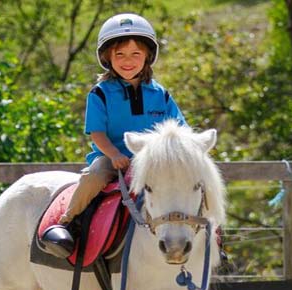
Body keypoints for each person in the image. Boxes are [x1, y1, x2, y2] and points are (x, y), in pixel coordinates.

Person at [41, 12, 186, 257]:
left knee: (190, 182)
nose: (127, 61)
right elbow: (96, 133)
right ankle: (68, 221)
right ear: (107, 58)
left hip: (153, 160)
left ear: (147, 57)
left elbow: (180, 129)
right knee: (95, 176)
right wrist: (114, 154)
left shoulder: (161, 94)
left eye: (135, 54)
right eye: (120, 54)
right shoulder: (100, 93)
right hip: (113, 157)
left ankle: (210, 234)